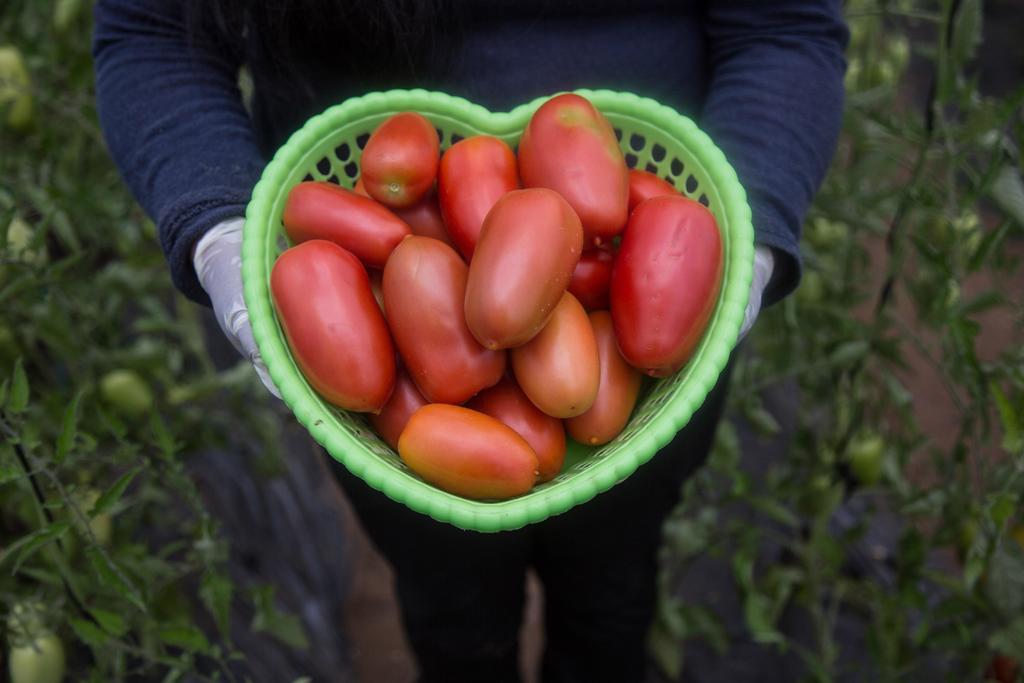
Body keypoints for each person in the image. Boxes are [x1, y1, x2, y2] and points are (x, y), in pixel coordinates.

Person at [93, 1, 847, 681]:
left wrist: (754, 214)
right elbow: (151, 32)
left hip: (642, 299)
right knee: (449, 602)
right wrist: (216, 220)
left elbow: (785, 25)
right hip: (408, 317)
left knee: (614, 582)